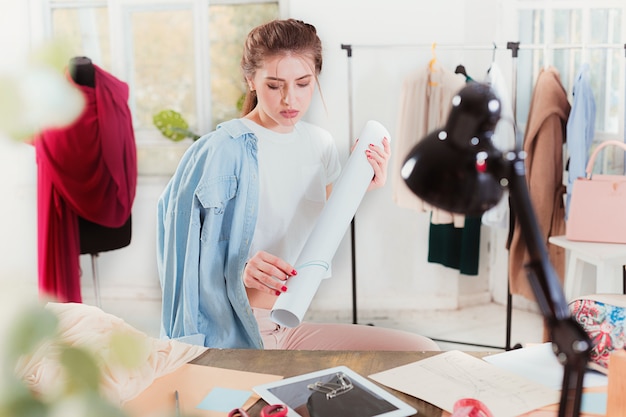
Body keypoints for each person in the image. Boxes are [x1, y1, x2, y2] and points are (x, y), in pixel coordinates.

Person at [157, 18, 439, 351]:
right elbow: (181, 257)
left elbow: (319, 213)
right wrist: (240, 271)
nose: (290, 99)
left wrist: (361, 185)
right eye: (275, 85)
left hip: (289, 324)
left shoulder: (319, 143)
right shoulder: (219, 150)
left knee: (420, 350)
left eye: (303, 83)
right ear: (250, 80)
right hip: (237, 332)